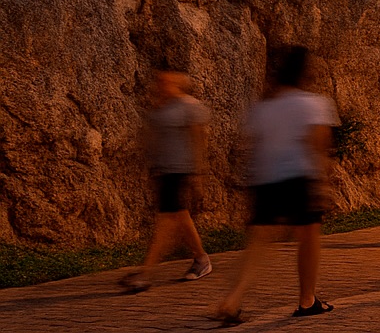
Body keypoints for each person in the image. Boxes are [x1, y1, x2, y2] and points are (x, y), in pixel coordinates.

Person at [214, 46, 338, 323]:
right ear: (305, 72)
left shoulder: (263, 108)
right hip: (299, 178)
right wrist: (323, 183)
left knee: (258, 244)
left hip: (265, 181)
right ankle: (307, 300)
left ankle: (232, 299)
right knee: (308, 239)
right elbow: (319, 146)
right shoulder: (314, 103)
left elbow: (253, 147)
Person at [121, 67, 212, 293]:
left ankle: (146, 273)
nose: (159, 85)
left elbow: (198, 140)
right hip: (164, 171)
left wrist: (199, 175)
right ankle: (202, 260)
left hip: (181, 171)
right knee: (180, 217)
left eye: (165, 82)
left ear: (178, 85)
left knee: (166, 221)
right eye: (159, 82)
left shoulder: (189, 106)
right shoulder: (161, 108)